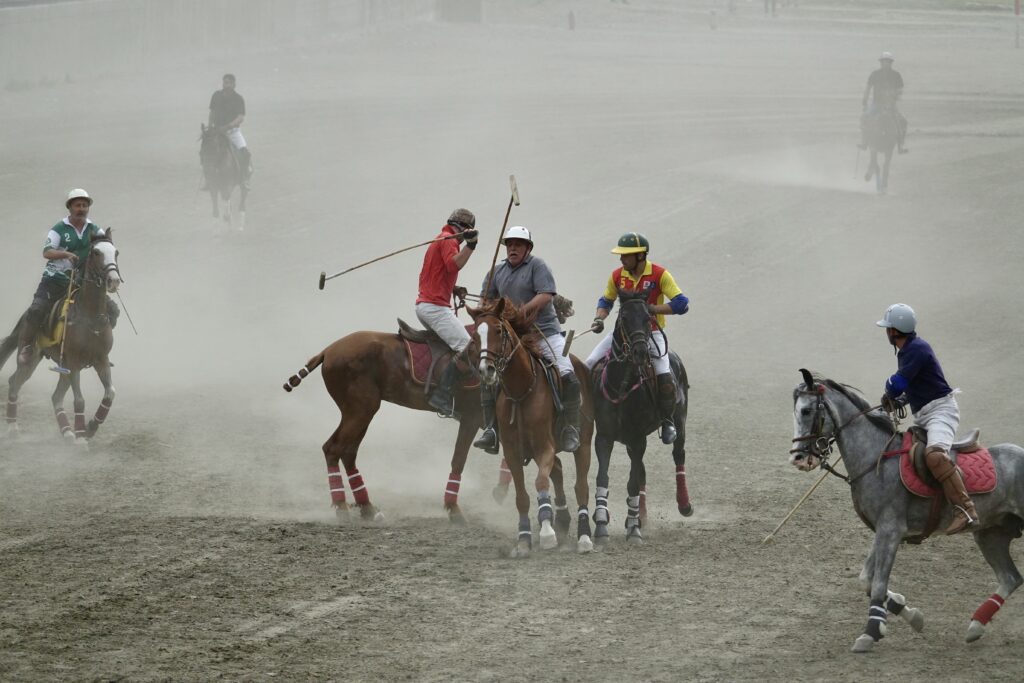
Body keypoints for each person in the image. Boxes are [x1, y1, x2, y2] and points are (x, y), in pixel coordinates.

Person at [474, 226, 581, 454]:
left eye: (518, 244)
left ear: (528, 248)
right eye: (510, 244)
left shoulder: (537, 266)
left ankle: (571, 427)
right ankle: (491, 430)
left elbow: (545, 295)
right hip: (513, 337)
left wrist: (521, 311)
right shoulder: (498, 271)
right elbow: (487, 300)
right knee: (487, 375)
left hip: (544, 333)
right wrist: (484, 305)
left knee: (568, 374)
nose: (513, 248)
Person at [877, 303, 977, 535]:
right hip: (924, 415)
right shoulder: (907, 350)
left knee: (934, 455)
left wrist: (890, 391)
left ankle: (966, 509)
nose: (886, 332)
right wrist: (901, 400)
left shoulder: (916, 349)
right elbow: (912, 385)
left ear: (894, 331)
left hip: (941, 412)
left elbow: (898, 383)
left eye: (888, 328)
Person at [585, 233, 689, 444]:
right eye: (621, 255)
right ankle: (585, 416)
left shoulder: (660, 275)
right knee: (588, 365)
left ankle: (668, 420)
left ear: (640, 256)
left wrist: (650, 309)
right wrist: (599, 318)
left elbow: (681, 303)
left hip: (651, 333)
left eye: (626, 255)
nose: (621, 259)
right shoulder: (617, 275)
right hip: (622, 333)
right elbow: (606, 300)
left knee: (664, 374)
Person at [16, 189, 117, 364]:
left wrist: (109, 270)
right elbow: (47, 252)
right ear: (70, 207)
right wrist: (67, 255)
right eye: (78, 205)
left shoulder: (94, 229)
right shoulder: (59, 229)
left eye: (85, 205)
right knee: (37, 310)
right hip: (54, 280)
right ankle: (27, 346)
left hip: (80, 281)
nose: (82, 208)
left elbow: (105, 248)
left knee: (113, 310)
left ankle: (99, 348)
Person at [415, 208, 479, 416]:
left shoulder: (440, 239)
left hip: (426, 305)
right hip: (435, 308)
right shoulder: (449, 239)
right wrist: (471, 246)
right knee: (467, 348)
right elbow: (454, 265)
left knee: (453, 347)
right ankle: (442, 396)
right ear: (465, 228)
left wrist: (454, 289)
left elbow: (436, 274)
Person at [858, 52, 909, 154]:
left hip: (891, 105)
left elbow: (900, 90)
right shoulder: (875, 74)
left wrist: (896, 96)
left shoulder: (896, 75)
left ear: (891, 63)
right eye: (884, 61)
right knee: (864, 117)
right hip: (876, 104)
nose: (886, 63)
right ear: (881, 62)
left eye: (888, 62)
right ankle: (864, 142)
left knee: (903, 121)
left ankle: (900, 145)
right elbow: (868, 88)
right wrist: (864, 100)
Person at [208, 73, 252, 184]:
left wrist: (229, 126)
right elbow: (212, 112)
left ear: (233, 84)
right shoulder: (216, 96)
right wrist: (210, 127)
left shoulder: (238, 99)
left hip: (233, 133)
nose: (225, 85)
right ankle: (208, 179)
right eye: (224, 82)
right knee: (207, 152)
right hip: (217, 132)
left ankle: (244, 177)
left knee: (245, 153)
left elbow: (241, 117)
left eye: (228, 83)